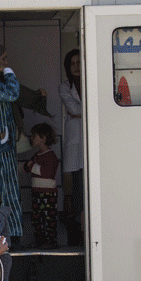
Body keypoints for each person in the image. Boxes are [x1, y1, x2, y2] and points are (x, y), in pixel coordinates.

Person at [0, 42, 23, 241]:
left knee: (10, 189)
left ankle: (13, 234)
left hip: (5, 145)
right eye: (3, 59)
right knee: (0, 189)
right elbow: (11, 93)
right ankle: (1, 236)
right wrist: (9, 71)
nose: (6, 63)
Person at [59, 49, 85, 245]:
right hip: (76, 141)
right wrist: (86, 110)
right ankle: (78, 222)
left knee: (90, 181)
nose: (76, 66)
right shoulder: (64, 86)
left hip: (90, 139)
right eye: (72, 63)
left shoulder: (90, 83)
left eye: (79, 62)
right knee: (77, 182)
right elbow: (74, 108)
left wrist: (80, 113)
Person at [24, 122, 61, 250]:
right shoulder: (37, 155)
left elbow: (47, 172)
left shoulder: (51, 156)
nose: (31, 138)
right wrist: (28, 166)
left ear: (43, 138)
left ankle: (51, 241)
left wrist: (31, 166)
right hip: (36, 193)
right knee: (37, 218)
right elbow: (27, 168)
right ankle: (39, 240)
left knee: (48, 218)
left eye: (34, 136)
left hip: (48, 194)